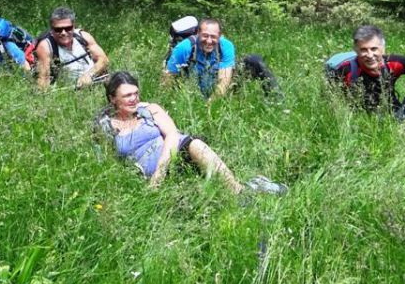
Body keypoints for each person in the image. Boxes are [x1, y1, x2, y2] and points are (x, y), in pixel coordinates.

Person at [96, 71, 285, 194]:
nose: (134, 99)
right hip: (142, 174)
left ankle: (239, 193)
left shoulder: (150, 110)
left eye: (136, 93)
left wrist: (159, 175)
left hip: (174, 160)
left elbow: (172, 135)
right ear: (113, 99)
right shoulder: (106, 126)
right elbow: (106, 162)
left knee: (195, 144)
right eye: (127, 95)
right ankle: (255, 186)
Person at [326, 24, 405, 121]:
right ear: (356, 50)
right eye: (363, 50)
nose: (370, 55)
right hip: (368, 117)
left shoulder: (392, 63)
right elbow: (333, 103)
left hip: (391, 109)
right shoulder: (344, 71)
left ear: (383, 49)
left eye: (374, 49)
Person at [163, 18, 280, 100]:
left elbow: (224, 82)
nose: (209, 41)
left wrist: (209, 106)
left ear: (220, 35)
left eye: (213, 37)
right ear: (198, 33)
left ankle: (276, 101)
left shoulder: (226, 46)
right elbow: (167, 81)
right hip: (192, 89)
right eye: (205, 35)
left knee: (255, 60)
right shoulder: (183, 48)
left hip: (219, 83)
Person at [35, 6, 109, 90]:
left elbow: (103, 59)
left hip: (97, 83)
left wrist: (89, 75)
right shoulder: (45, 47)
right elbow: (43, 79)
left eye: (68, 28)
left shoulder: (83, 37)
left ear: (73, 26)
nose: (63, 33)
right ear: (52, 30)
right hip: (69, 91)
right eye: (58, 29)